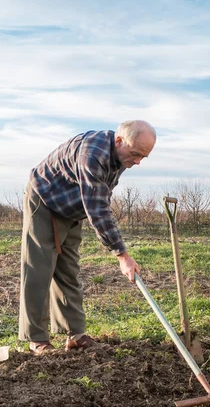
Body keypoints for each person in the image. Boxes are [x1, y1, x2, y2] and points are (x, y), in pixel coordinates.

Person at [19, 120, 157, 355]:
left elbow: (100, 196)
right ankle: (37, 340)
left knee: (68, 271)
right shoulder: (93, 153)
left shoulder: (120, 157)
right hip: (45, 201)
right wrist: (122, 255)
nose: (137, 162)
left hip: (71, 208)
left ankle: (75, 335)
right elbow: (97, 207)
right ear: (119, 140)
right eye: (135, 154)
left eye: (143, 157)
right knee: (39, 270)